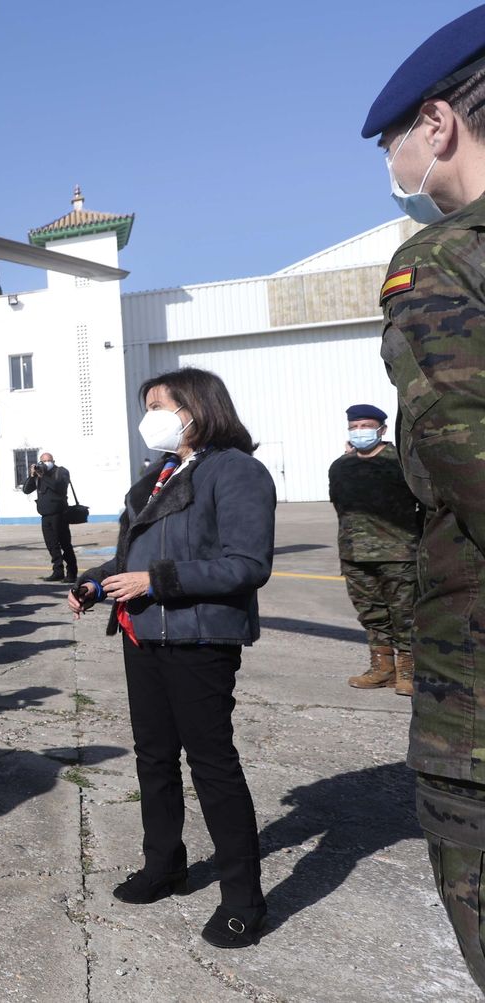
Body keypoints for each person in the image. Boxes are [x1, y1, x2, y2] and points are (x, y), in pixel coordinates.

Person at [69, 367, 275, 949]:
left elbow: (245, 564)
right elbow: (131, 557)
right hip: (145, 637)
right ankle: (165, 865)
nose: (150, 416)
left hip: (198, 638)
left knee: (211, 763)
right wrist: (94, 582)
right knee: (153, 756)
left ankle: (243, 899)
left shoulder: (236, 471)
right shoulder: (156, 478)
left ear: (196, 407)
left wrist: (154, 582)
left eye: (160, 404)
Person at [364, 9, 485, 986]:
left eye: (395, 138)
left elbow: (465, 464)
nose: (396, 163)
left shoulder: (442, 264)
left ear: (437, 124)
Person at [329, 404, 422, 695]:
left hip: (398, 553)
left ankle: (409, 670)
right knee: (371, 614)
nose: (360, 432)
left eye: (366, 426)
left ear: (381, 429)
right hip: (355, 553)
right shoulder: (340, 466)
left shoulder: (401, 461)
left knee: (405, 613)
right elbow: (339, 504)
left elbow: (424, 500)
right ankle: (383, 669)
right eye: (354, 427)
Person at [22, 451, 77, 582]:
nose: (46, 463)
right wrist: (32, 475)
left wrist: (43, 476)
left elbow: (59, 487)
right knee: (51, 545)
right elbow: (26, 490)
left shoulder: (61, 472)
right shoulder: (39, 475)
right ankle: (58, 571)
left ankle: (72, 573)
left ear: (53, 461)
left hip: (60, 514)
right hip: (45, 515)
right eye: (43, 461)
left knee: (65, 544)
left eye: (48, 460)